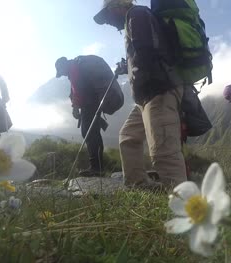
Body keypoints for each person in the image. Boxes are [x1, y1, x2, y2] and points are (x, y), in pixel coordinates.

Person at [93, 0, 187, 189]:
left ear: (117, 7)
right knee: (128, 136)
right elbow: (145, 51)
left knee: (163, 151)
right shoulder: (135, 18)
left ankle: (180, 202)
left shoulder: (137, 15)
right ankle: (138, 185)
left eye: (108, 17)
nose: (108, 23)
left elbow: (146, 51)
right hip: (146, 95)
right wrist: (127, 66)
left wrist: (134, 67)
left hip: (159, 90)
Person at [55, 55, 119, 177]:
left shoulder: (73, 69)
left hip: (89, 104)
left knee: (89, 133)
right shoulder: (76, 66)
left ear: (63, 66)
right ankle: (98, 167)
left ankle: (96, 168)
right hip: (93, 102)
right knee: (93, 133)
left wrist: (75, 107)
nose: (62, 75)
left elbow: (77, 90)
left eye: (61, 72)